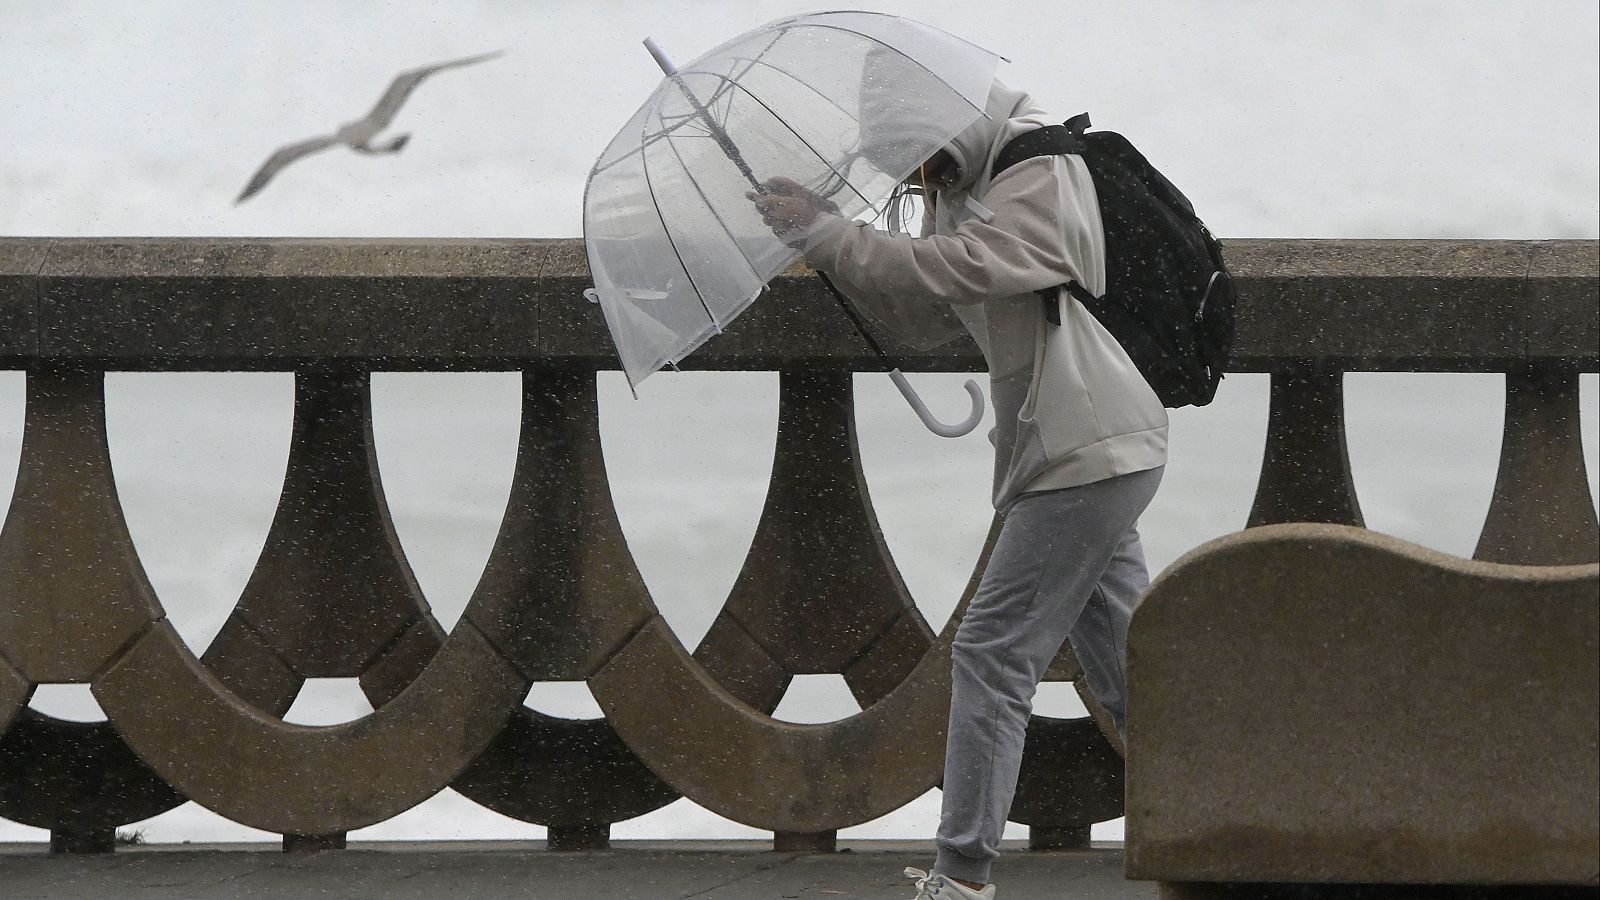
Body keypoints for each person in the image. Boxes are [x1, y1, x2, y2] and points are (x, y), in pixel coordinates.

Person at [750, 74, 1167, 900]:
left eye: (909, 155)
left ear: (938, 124)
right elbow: (931, 304)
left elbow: (967, 267)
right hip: (1080, 448)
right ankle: (1237, 815)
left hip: (1087, 448)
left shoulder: (1041, 168)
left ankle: (964, 871)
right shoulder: (965, 183)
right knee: (1132, 674)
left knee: (992, 650)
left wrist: (832, 236)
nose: (910, 178)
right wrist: (820, 236)